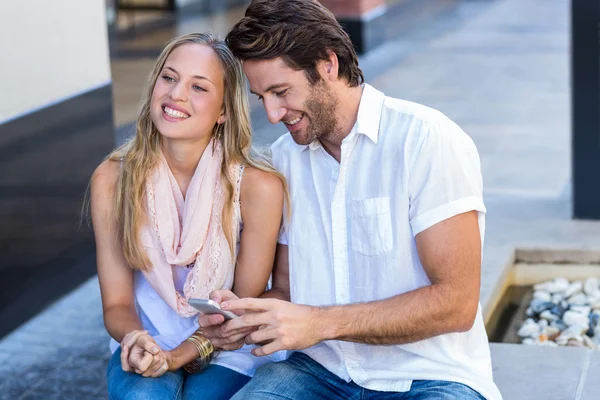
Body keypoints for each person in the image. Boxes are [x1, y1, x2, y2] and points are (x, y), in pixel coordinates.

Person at [198, 1, 504, 399]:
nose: (273, 114)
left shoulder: (425, 140)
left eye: (281, 92)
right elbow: (289, 288)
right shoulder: (284, 160)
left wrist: (320, 323)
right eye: (262, 98)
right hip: (317, 370)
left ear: (328, 64)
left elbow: (456, 304)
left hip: (429, 376)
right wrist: (245, 317)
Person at [90, 32, 288, 400]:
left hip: (230, 350)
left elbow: (240, 307)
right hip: (147, 339)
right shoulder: (113, 178)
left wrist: (181, 354)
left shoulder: (258, 187)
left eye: (199, 87)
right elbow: (116, 305)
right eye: (169, 77)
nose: (176, 94)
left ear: (224, 111)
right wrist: (137, 342)